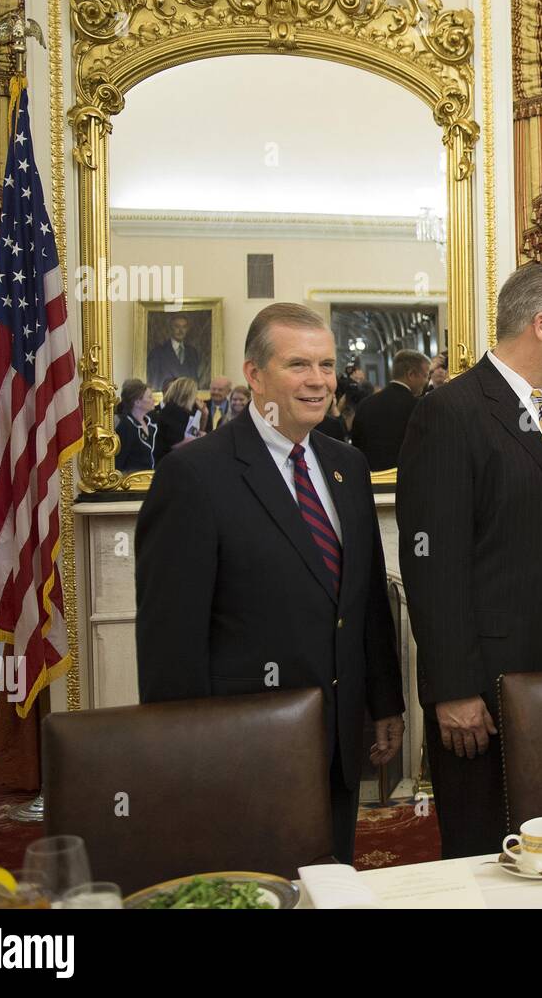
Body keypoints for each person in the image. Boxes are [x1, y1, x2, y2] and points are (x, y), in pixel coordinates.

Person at [136, 302, 405, 864]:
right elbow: (170, 642)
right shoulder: (194, 476)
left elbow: (366, 600)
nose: (318, 381)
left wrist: (385, 702)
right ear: (255, 374)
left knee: (330, 883)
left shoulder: (346, 466)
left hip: (338, 742)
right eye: (298, 365)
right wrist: (188, 754)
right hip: (242, 749)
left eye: (327, 365)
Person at [397, 262, 542, 858]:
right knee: (489, 853)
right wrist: (454, 689)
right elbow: (433, 565)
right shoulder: (450, 412)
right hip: (482, 691)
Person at [350, 350, 430, 470]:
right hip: (407, 482)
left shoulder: (366, 404)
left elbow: (356, 447)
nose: (426, 381)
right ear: (411, 374)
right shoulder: (419, 407)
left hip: (370, 481)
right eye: (425, 376)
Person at [152, 376, 204, 465]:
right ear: (187, 394)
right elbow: (176, 444)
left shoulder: (177, 409)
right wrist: (199, 439)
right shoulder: (174, 411)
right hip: (168, 463)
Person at [146, 313, 202, 390]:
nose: (181, 330)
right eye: (177, 326)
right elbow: (153, 383)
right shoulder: (158, 353)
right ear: (170, 328)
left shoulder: (192, 353)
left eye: (184, 327)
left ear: (187, 329)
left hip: (188, 398)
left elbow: (195, 382)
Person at [114, 378, 156, 471]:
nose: (154, 400)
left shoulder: (151, 423)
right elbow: (119, 462)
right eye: (149, 397)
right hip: (132, 481)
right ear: (137, 402)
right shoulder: (126, 426)